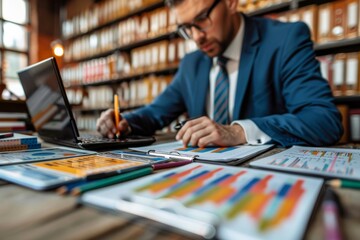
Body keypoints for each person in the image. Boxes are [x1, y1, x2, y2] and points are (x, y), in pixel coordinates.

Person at [96, 0, 343, 147]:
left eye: (202, 19)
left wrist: (238, 132)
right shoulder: (192, 63)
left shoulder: (285, 40)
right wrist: (124, 121)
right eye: (186, 28)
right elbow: (155, 113)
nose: (196, 37)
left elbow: (323, 120)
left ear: (231, 3)